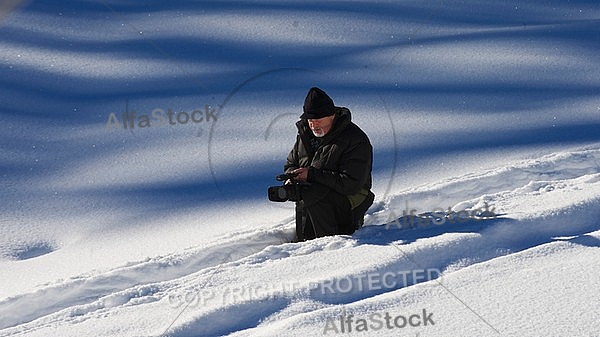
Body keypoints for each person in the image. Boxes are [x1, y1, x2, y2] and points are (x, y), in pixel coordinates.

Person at [284, 87, 374, 241]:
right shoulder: (305, 135)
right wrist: (293, 176)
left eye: (318, 120)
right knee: (303, 191)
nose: (313, 125)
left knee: (312, 192)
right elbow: (291, 164)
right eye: (310, 120)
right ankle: (304, 241)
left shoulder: (355, 139)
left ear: (332, 115)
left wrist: (311, 175)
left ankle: (330, 243)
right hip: (317, 196)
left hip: (352, 197)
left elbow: (351, 184)